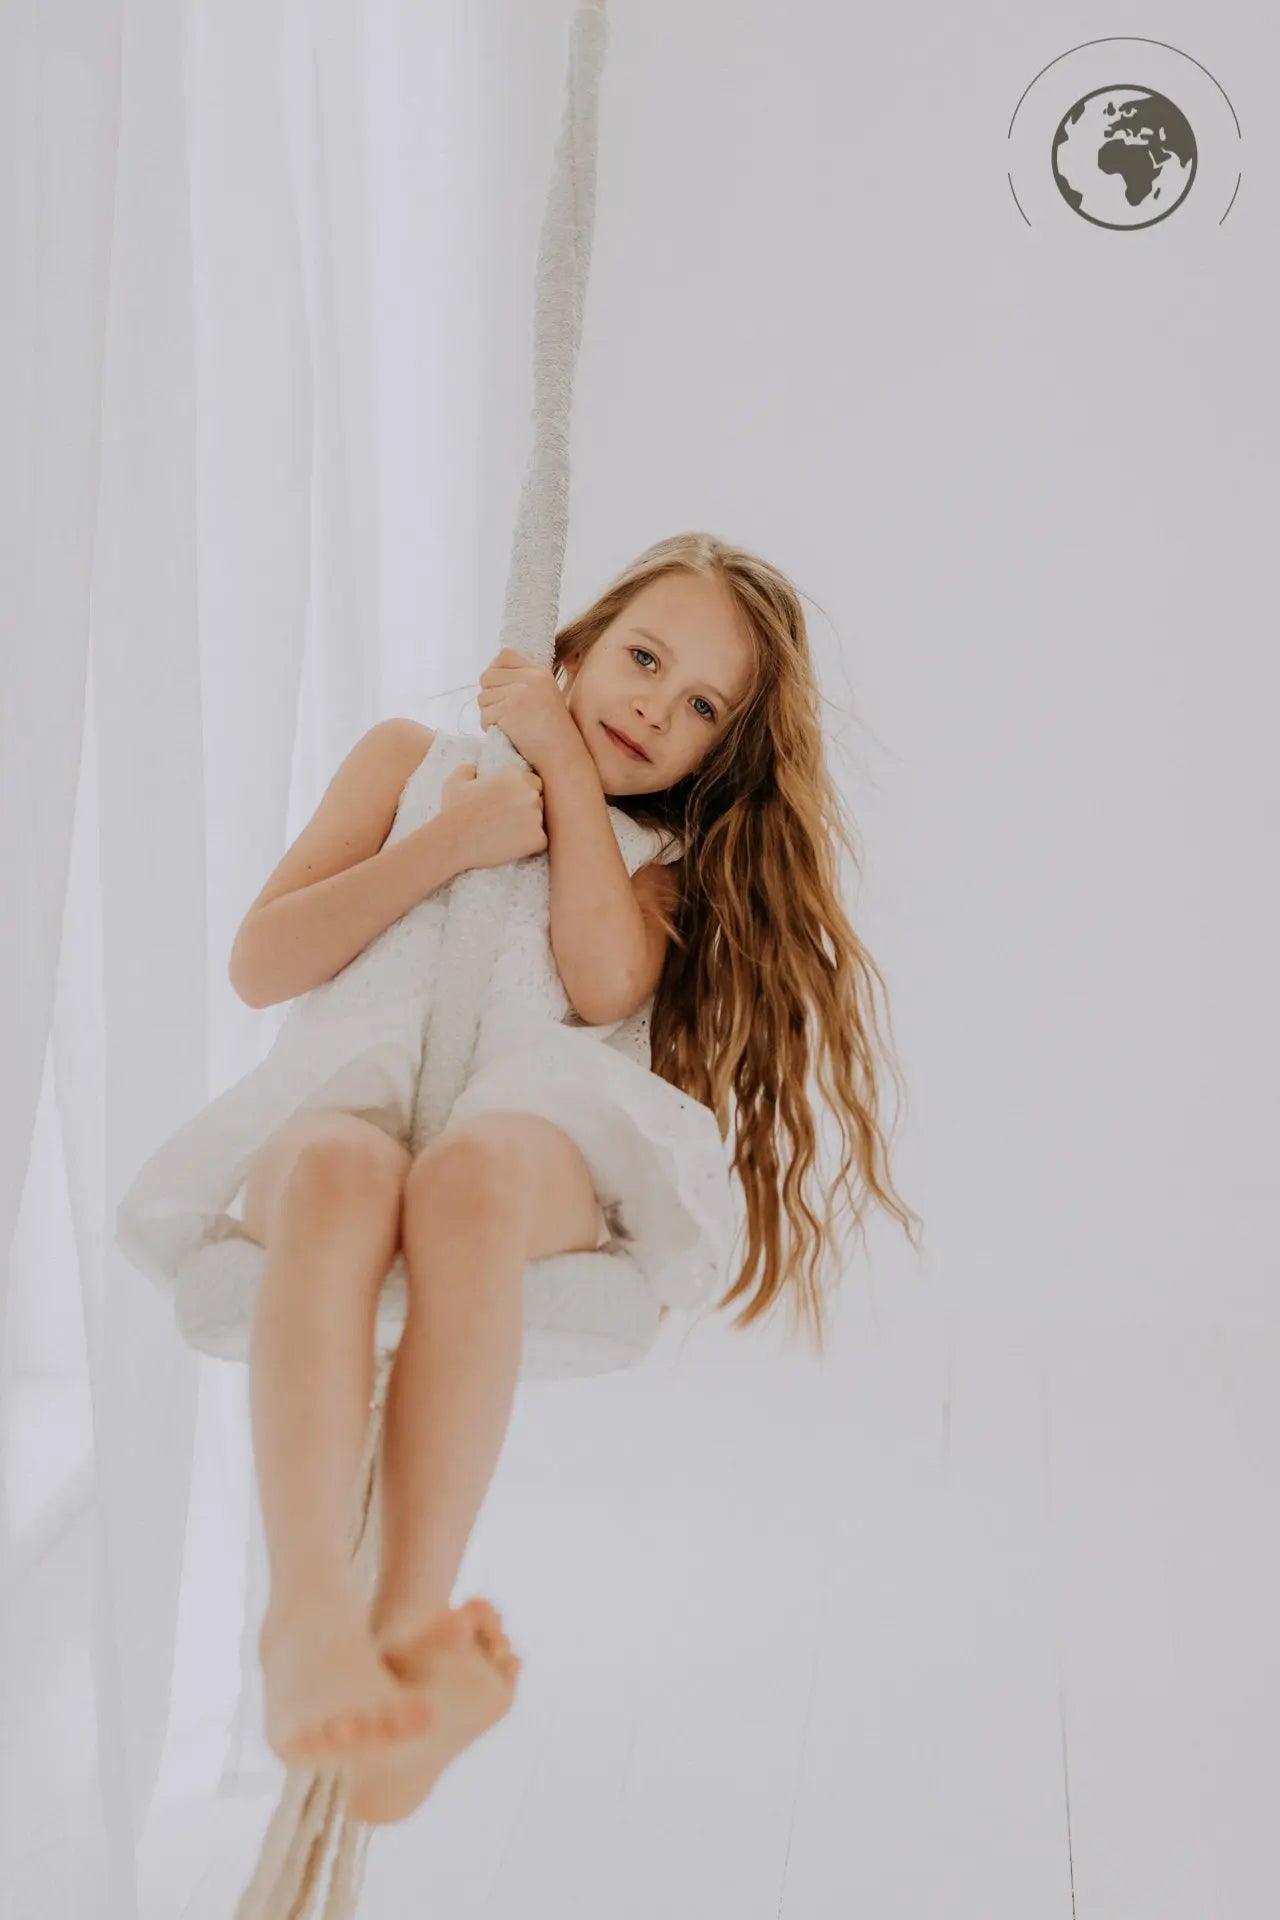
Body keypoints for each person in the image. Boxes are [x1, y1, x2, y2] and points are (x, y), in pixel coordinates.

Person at [115, 530, 922, 1826]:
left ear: (721, 751)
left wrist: (556, 764)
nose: (657, 703)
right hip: (359, 1084)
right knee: (330, 1171)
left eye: (703, 705)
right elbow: (266, 964)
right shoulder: (405, 762)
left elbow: (604, 983)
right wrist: (445, 843)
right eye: (644, 658)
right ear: (571, 647)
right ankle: (310, 1620)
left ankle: (417, 1631)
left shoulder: (667, 860)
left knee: (469, 1179)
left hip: (537, 1128)